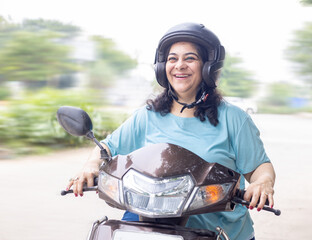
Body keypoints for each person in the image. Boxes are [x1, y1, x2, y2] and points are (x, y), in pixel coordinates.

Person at [67, 22, 276, 240]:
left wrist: (263, 183)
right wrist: (90, 166)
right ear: (162, 67)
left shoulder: (234, 119)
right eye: (172, 58)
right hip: (149, 227)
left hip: (219, 233)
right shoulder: (146, 117)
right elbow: (106, 149)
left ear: (208, 67)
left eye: (190, 58)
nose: (179, 65)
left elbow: (260, 166)